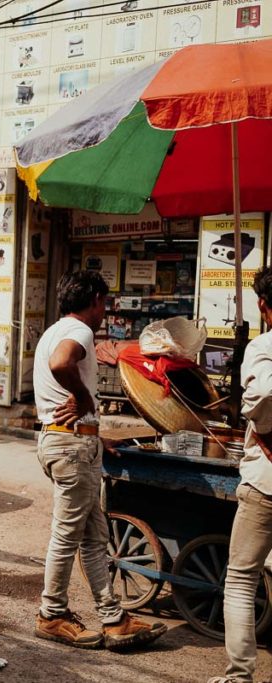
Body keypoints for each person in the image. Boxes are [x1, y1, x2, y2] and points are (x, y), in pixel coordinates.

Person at [33, 269, 166, 650]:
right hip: (70, 447)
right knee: (67, 536)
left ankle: (113, 617)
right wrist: (87, 400)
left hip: (70, 442)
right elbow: (62, 365)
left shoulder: (52, 331)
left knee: (94, 539)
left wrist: (94, 431)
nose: (104, 311)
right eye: (104, 302)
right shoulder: (80, 332)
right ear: (94, 300)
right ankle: (52, 614)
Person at [209, 266, 272, 683]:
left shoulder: (264, 346)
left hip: (266, 481)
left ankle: (240, 675)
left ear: (264, 306)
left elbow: (265, 393)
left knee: (240, 578)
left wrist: (265, 429)